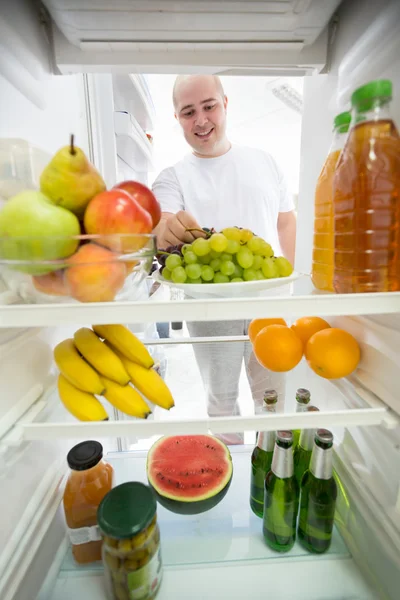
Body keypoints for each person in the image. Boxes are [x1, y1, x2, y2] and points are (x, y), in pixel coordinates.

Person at [152, 75, 297, 443]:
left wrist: (292, 285)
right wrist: (164, 232)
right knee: (221, 402)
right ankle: (228, 477)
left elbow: (286, 221)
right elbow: (162, 224)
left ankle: (271, 468)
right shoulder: (172, 178)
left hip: (270, 303)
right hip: (210, 312)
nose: (201, 120)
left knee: (275, 402)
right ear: (178, 118)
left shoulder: (265, 161)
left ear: (225, 103)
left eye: (209, 106)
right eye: (188, 112)